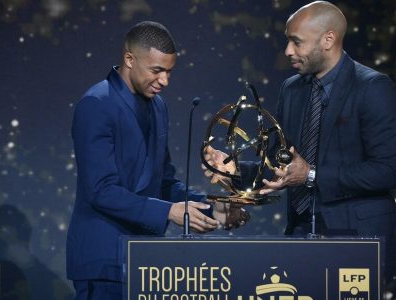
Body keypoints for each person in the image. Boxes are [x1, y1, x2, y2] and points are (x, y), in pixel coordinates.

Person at [203, 1, 396, 293]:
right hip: (302, 234)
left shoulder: (372, 87)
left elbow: (388, 170)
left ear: (328, 39)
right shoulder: (291, 89)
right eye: (287, 41)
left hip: (358, 241)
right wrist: (235, 169)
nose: (288, 52)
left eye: (296, 42)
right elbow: (283, 163)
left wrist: (312, 176)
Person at [67, 21, 247, 300]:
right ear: (129, 59)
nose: (165, 81)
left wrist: (213, 209)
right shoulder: (96, 104)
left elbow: (163, 182)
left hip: (147, 261)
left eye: (169, 71)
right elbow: (100, 190)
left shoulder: (158, 106)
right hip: (103, 262)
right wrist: (167, 212)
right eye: (157, 70)